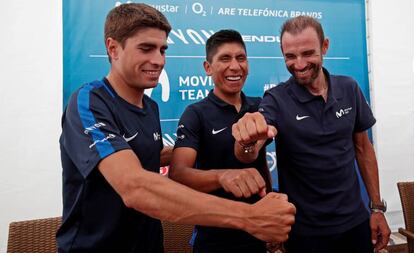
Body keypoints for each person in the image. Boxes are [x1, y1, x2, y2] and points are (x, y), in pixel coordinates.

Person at [57, 3, 296, 253]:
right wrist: (249, 217)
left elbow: (147, 156)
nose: (158, 60)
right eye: (146, 49)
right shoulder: (89, 101)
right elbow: (135, 186)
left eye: (162, 50)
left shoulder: (150, 107)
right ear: (113, 48)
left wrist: (200, 148)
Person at [232, 16, 391, 253]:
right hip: (304, 232)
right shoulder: (275, 99)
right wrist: (246, 140)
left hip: (355, 223)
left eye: (308, 53)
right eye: (290, 56)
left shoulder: (349, 88)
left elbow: (363, 148)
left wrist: (376, 208)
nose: (299, 64)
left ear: (324, 46)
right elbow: (250, 152)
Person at [170, 29, 277, 253]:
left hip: (257, 231)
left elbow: (259, 163)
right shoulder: (195, 113)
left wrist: (270, 208)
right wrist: (223, 176)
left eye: (241, 58)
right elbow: (178, 173)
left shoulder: (260, 107)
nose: (235, 66)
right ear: (207, 68)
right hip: (213, 236)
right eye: (225, 59)